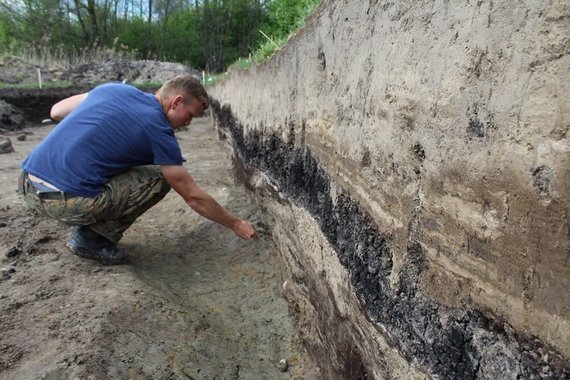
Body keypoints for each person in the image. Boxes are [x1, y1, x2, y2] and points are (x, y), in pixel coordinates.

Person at [19, 74, 256, 264]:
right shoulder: (159, 131)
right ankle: (92, 240)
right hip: (60, 202)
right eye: (190, 115)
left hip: (28, 183)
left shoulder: (114, 89)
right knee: (159, 178)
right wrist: (235, 224)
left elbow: (57, 111)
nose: (188, 122)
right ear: (176, 102)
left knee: (133, 161)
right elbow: (193, 197)